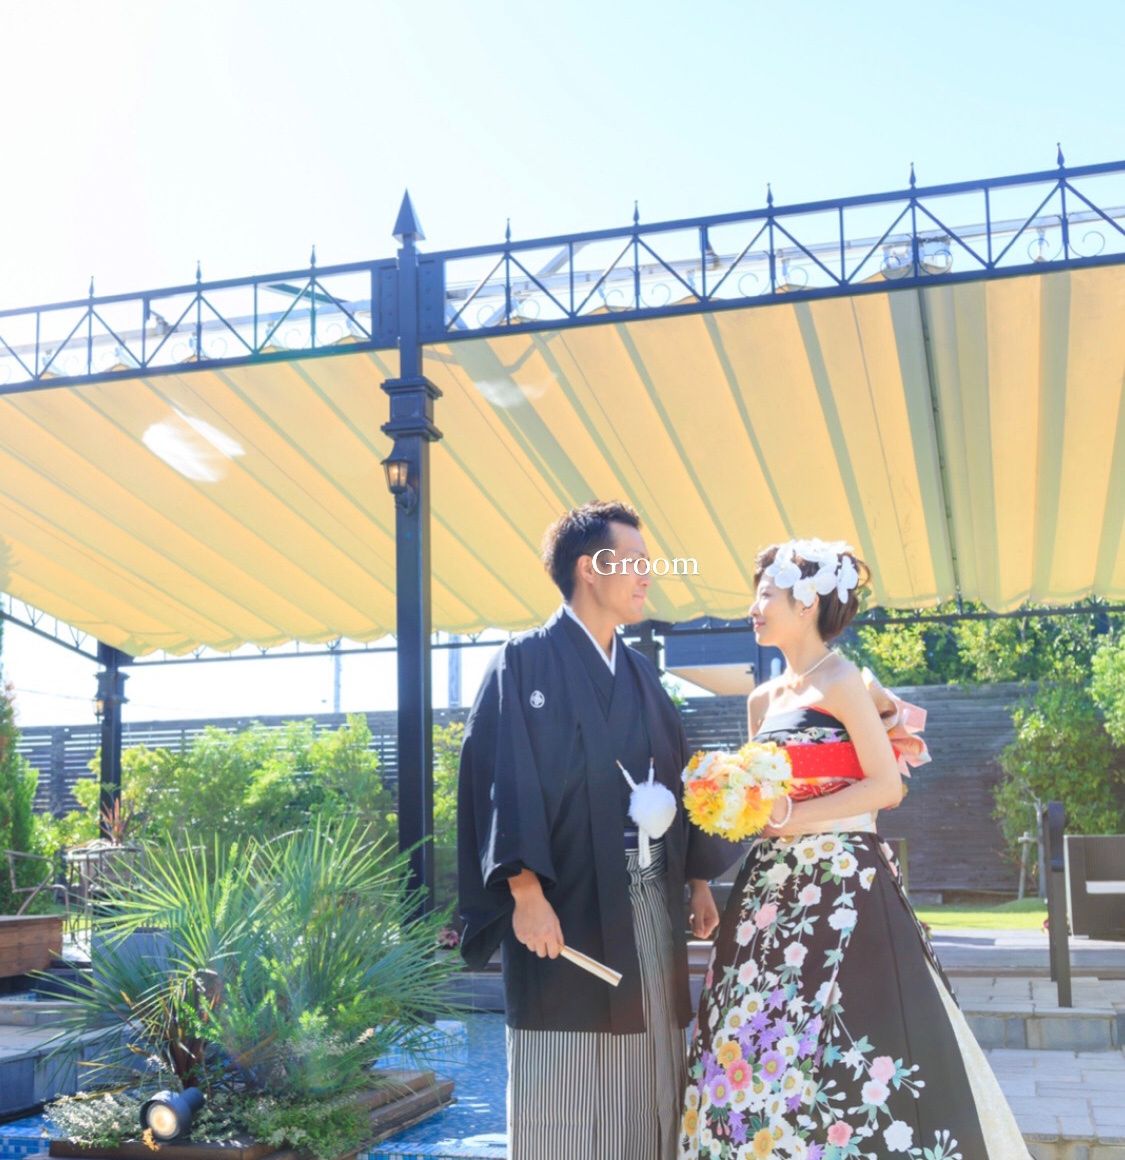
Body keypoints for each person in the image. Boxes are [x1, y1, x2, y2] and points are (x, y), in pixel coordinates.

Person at [679, 539, 1030, 1160]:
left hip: (842, 882)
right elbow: (766, 798)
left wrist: (793, 818)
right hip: (769, 892)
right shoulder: (762, 699)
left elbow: (886, 785)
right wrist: (738, 805)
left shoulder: (844, 682)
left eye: (766, 595)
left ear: (806, 603)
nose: (753, 608)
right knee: (754, 1030)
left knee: (853, 1032)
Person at [458, 500, 739, 1160]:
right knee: (566, 1067)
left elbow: (675, 773)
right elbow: (504, 777)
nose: (647, 575)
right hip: (567, 901)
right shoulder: (524, 662)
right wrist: (524, 893)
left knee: (653, 1056)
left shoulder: (641, 673)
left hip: (649, 899)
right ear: (590, 568)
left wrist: (698, 881)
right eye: (634, 562)